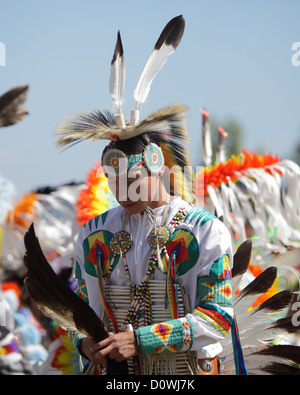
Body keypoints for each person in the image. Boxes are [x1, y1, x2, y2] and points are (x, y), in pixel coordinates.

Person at [55, 16, 237, 375]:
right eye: (112, 181)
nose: (121, 192)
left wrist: (140, 340)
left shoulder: (205, 231)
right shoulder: (93, 235)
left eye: (131, 179)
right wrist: (84, 341)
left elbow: (218, 318)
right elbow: (73, 308)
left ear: (156, 166)